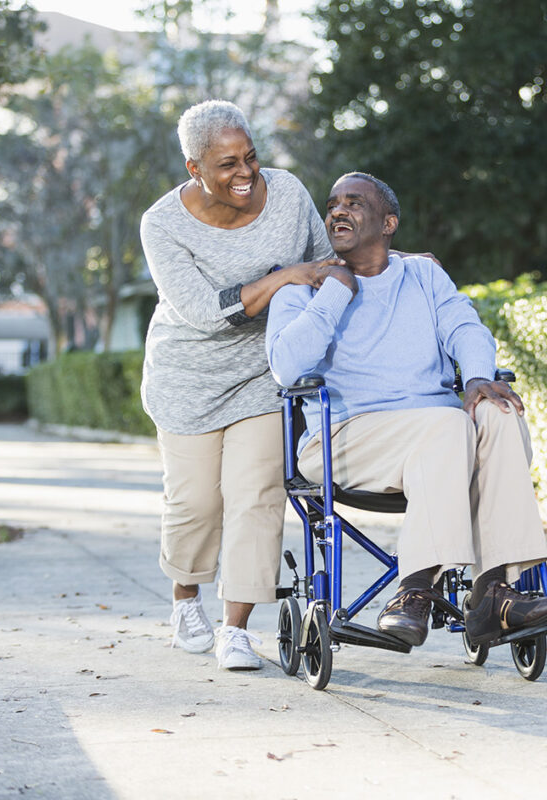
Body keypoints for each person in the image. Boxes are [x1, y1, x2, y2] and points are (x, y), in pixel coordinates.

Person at [265, 172, 547, 648]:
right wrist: (335, 291)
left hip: (437, 439)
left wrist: (474, 378)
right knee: (449, 423)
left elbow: (466, 327)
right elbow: (285, 368)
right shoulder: (302, 288)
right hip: (345, 436)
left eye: (354, 203)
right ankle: (414, 590)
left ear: (388, 223)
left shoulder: (423, 275)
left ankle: (494, 594)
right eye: (333, 205)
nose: (338, 211)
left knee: (499, 411)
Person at [140, 99, 343, 670]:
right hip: (188, 378)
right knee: (195, 504)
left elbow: (327, 264)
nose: (246, 173)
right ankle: (185, 599)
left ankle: (236, 627)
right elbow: (206, 313)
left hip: (262, 372)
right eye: (227, 164)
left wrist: (396, 262)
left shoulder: (286, 194)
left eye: (250, 157)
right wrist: (281, 277)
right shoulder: (162, 224)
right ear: (194, 168)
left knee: (256, 495)